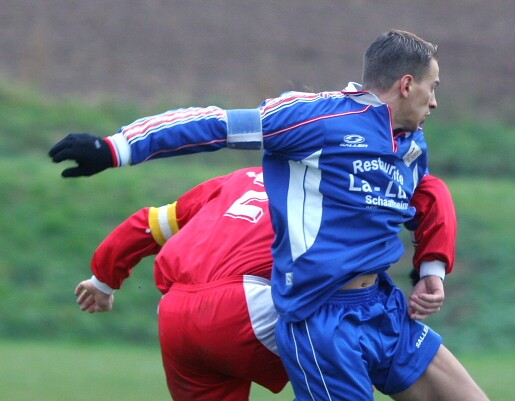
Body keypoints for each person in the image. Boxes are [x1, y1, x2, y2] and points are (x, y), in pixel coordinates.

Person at [50, 29, 490, 400]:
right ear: (407, 85)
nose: (435, 102)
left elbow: (429, 197)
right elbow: (217, 125)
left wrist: (431, 269)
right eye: (433, 88)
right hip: (320, 318)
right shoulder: (318, 117)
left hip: (382, 307)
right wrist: (116, 148)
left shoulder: (411, 145)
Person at [76, 166, 463, 400]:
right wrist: (432, 269)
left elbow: (148, 223)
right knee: (362, 340)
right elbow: (432, 192)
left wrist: (103, 282)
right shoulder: (342, 176)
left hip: (175, 315)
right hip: (247, 303)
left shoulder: (234, 181)